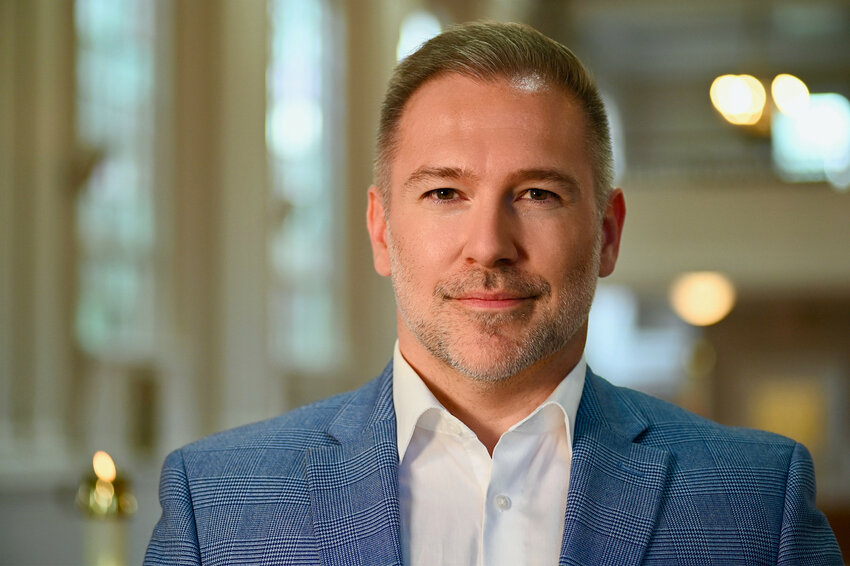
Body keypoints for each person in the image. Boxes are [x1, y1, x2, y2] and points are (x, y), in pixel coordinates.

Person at [145, 21, 842, 565]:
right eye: (445, 192)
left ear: (606, 233)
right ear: (382, 230)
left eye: (537, 193)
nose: (489, 244)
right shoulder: (219, 506)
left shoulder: (754, 501)